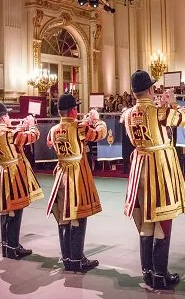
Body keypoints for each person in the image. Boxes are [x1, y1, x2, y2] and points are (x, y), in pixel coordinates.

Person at [121, 70, 185, 290]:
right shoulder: (158, 110)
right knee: (163, 219)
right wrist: (173, 103)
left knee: (145, 222)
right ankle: (160, 274)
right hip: (158, 167)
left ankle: (148, 273)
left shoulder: (129, 114)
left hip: (139, 165)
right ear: (151, 89)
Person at [46, 94, 107, 273]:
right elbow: (99, 134)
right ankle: (76, 260)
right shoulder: (79, 127)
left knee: (64, 219)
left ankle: (68, 258)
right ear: (73, 110)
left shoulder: (54, 129)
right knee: (79, 217)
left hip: (61, 174)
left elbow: (50, 143)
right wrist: (96, 120)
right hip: (76, 175)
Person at [0, 103, 43, 260]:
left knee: (5, 211)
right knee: (15, 212)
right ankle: (13, 248)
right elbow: (33, 137)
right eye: (8, 116)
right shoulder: (9, 133)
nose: (10, 118)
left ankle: (7, 245)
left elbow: (11, 140)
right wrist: (31, 125)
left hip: (0, 174)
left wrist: (20, 127)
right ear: (4, 117)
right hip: (14, 175)